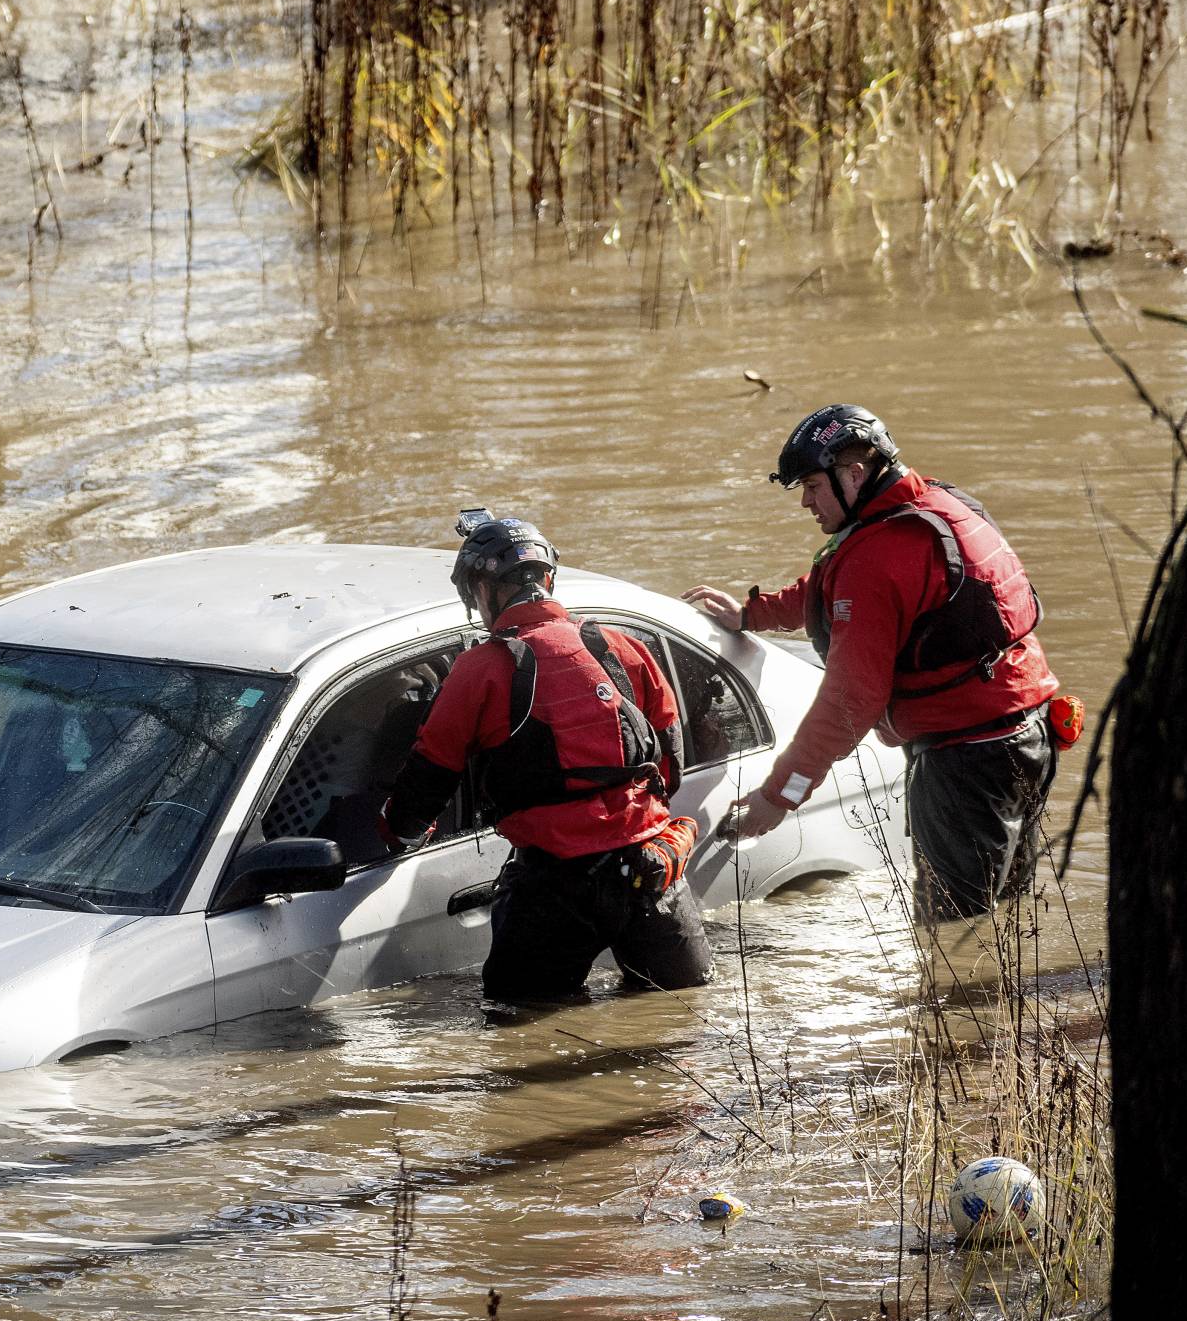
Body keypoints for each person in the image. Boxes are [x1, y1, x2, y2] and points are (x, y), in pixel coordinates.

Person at [683, 404, 1061, 919]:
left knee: (950, 931)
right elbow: (843, 592)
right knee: (1009, 923)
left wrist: (779, 796)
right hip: (1030, 736)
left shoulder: (877, 555)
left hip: (963, 761)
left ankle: (957, 1003)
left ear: (854, 474)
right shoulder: (939, 504)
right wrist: (754, 612)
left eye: (813, 486)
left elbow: (849, 702)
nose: (805, 504)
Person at [383, 511, 712, 1001]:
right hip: (649, 869)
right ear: (550, 578)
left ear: (482, 591)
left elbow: (432, 771)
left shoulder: (481, 670)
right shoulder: (621, 646)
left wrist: (399, 833)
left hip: (554, 887)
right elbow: (669, 761)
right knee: (684, 1015)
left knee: (517, 1028)